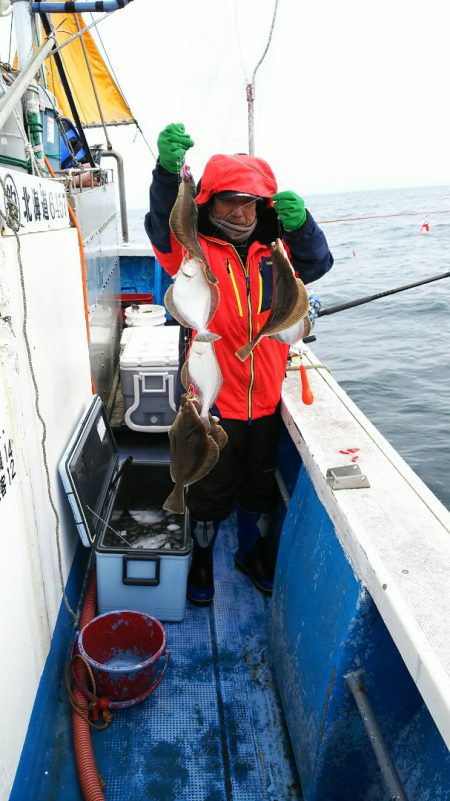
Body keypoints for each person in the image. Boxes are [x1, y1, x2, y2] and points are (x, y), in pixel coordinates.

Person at [144, 122, 333, 605]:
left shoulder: (277, 252)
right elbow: (163, 223)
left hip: (267, 398)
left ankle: (252, 553)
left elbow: (318, 264)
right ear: (209, 200)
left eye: (251, 201)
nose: (241, 210)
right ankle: (202, 561)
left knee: (258, 488)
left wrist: (303, 226)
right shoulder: (193, 250)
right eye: (230, 199)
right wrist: (168, 175)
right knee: (209, 489)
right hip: (215, 401)